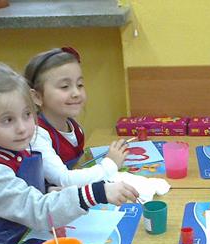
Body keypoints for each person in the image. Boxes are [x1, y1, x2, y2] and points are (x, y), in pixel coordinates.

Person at [0, 62, 138, 244]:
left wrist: (50, 192)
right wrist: (97, 192)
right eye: (7, 120)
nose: (23, 128)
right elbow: (38, 210)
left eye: (27, 115)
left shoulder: (14, 149)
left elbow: (24, 197)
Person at [24, 47, 130, 187]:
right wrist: (110, 164)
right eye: (64, 86)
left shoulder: (72, 125)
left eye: (80, 85)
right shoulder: (36, 136)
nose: (76, 93)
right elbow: (64, 179)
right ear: (37, 96)